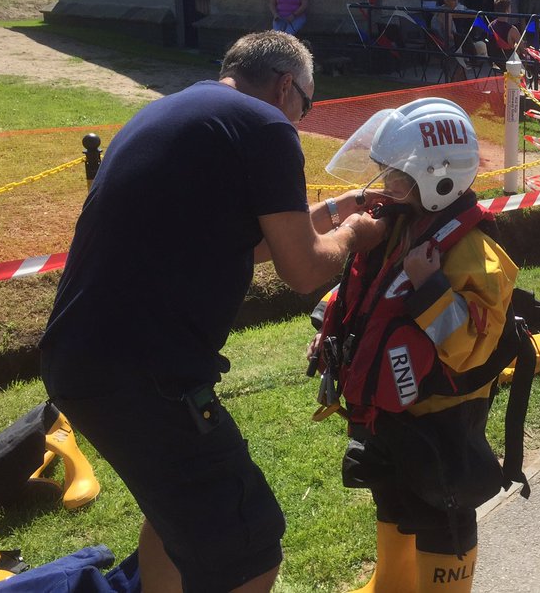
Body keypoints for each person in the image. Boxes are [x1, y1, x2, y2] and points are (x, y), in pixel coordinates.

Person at [40, 31, 387, 593]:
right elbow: (302, 271)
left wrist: (332, 211)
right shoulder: (266, 126)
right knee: (249, 547)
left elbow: (239, 243)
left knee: (178, 519)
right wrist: (355, 232)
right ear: (285, 86)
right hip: (147, 376)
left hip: (84, 364)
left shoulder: (175, 113)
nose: (302, 116)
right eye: (308, 103)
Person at [315, 99, 520, 593]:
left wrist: (430, 288)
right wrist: (328, 331)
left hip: (441, 415)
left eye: (397, 177)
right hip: (391, 408)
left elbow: (470, 347)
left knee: (441, 506)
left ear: (439, 178)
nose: (387, 186)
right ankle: (392, 581)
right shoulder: (402, 224)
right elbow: (365, 290)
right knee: (390, 491)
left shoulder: (476, 253)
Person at [431, 0, 470, 81]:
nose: (456, 2)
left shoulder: (440, 10)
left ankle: (461, 84)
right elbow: (449, 35)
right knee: (475, 50)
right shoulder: (446, 14)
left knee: (468, 53)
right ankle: (456, 84)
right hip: (447, 47)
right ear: (445, 1)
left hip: (440, 45)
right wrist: (462, 42)